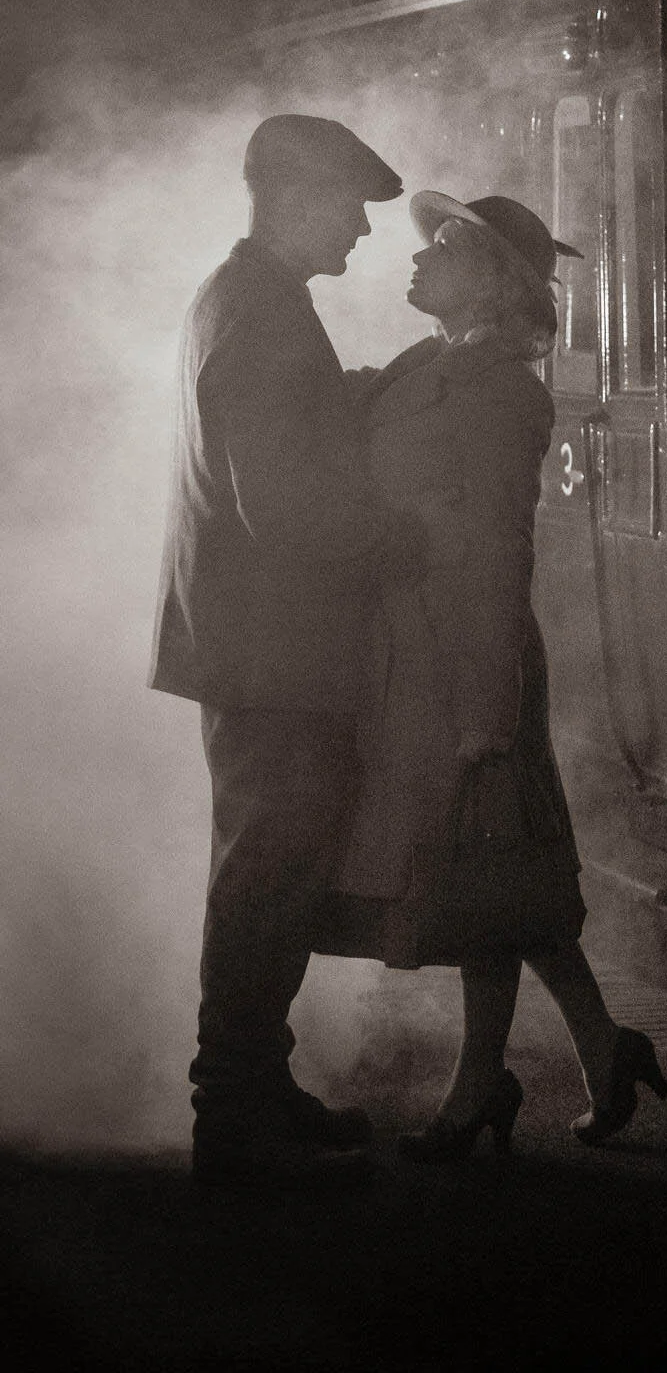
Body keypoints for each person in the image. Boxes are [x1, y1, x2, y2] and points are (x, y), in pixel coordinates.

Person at [315, 190, 667, 1157]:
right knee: (499, 876)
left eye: (443, 246)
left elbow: (496, 557)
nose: (419, 257)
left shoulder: (502, 393)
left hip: (461, 661)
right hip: (415, 654)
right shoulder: (431, 365)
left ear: (493, 277)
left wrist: (486, 711)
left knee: (479, 871)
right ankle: (600, 1047)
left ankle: (480, 1092)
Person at [149, 114, 426, 1188]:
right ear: (297, 196)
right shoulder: (265, 317)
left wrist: (357, 397)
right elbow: (291, 508)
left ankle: (255, 1090)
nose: (361, 229)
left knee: (266, 875)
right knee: (267, 880)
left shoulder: (247, 301)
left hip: (254, 648)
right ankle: (234, 1113)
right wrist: (400, 535)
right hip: (276, 654)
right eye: (349, 205)